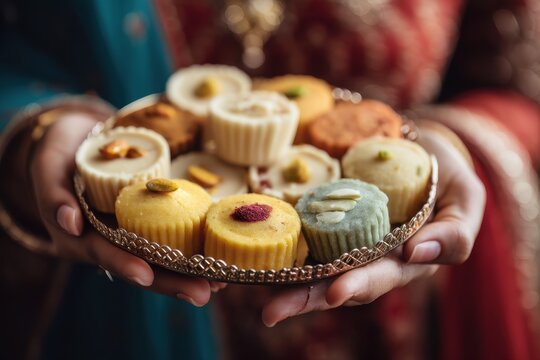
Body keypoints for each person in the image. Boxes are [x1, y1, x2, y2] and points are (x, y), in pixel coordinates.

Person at [0, 1, 538, 360]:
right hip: (123, 316)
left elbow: (517, 84)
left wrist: (444, 154)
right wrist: (35, 135)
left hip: (391, 327)